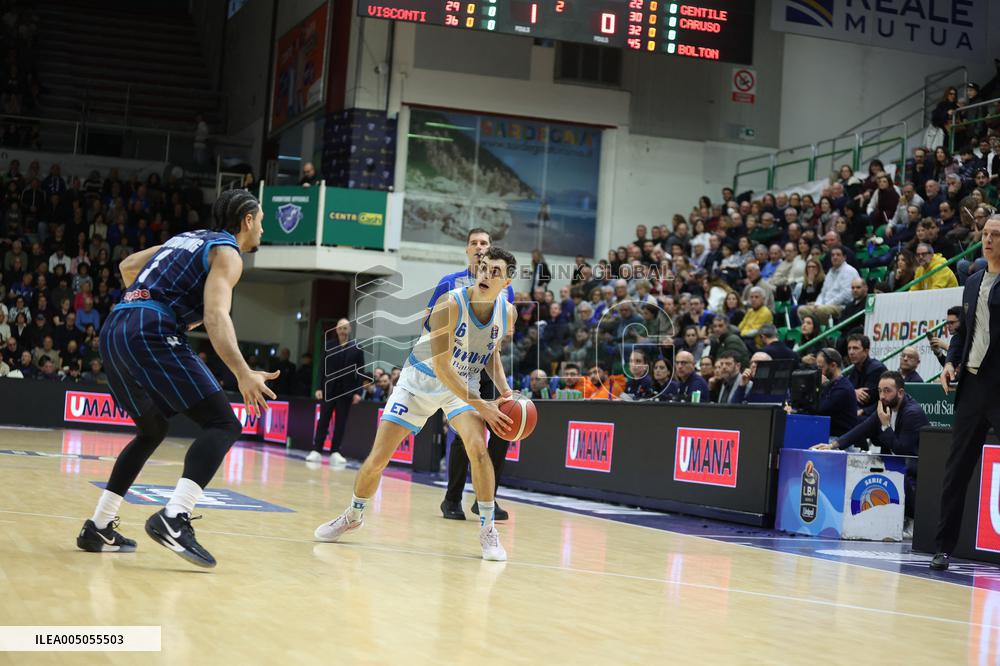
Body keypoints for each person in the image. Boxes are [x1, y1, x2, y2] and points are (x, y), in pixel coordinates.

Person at [76, 189, 276, 569]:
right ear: (247, 220)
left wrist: (154, 302)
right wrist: (243, 373)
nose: (263, 230)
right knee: (223, 423)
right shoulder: (229, 254)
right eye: (262, 221)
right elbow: (217, 317)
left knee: (151, 429)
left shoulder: (184, 240)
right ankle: (174, 517)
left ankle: (99, 525)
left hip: (116, 326)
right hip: (150, 329)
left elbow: (128, 266)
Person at [314, 247, 517, 562]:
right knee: (378, 458)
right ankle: (353, 515)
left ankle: (488, 529)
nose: (486, 275)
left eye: (495, 271)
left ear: (507, 281)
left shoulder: (508, 313)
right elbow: (442, 369)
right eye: (483, 267)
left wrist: (505, 392)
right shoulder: (451, 303)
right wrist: (484, 406)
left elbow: (490, 352)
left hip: (462, 386)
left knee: (478, 447)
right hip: (420, 381)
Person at [932, 214, 1000, 570]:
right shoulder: (972, 281)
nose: (987, 240)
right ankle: (943, 547)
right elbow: (962, 331)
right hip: (971, 386)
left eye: (995, 235)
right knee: (956, 469)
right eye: (985, 233)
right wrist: (950, 362)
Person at [438, 229, 515, 522]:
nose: (480, 247)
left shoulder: (504, 288)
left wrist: (504, 385)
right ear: (467, 250)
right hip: (453, 364)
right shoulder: (450, 283)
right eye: (474, 243)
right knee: (465, 432)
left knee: (502, 426)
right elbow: (430, 322)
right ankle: (452, 497)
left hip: (486, 359)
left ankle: (487, 497)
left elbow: (504, 330)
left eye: (485, 243)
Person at [811, 371, 929, 524]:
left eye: (887, 391)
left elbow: (902, 451)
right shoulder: (885, 407)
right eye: (880, 391)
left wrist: (886, 426)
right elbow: (862, 429)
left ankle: (912, 520)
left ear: (900, 393)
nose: (882, 396)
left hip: (917, 475)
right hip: (901, 469)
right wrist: (833, 445)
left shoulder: (912, 413)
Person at [307, 318, 365, 465]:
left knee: (341, 422)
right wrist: (319, 387)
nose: (343, 331)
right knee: (323, 420)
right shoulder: (328, 346)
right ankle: (316, 450)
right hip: (329, 389)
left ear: (350, 329)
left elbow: (361, 371)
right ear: (336, 330)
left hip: (347, 391)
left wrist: (358, 392)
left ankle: (335, 451)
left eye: (345, 328)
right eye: (340, 328)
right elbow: (321, 368)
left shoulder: (356, 347)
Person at [811, 348, 858, 436]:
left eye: (821, 368)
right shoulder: (830, 384)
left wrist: (819, 387)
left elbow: (820, 409)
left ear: (833, 365)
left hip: (839, 439)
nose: (818, 372)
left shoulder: (843, 388)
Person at [845, 333, 887, 415]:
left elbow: (865, 398)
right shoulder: (854, 369)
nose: (851, 352)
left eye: (855, 348)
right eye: (849, 348)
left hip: (873, 415)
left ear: (866, 351)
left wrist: (851, 393)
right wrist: (854, 392)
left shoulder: (876, 369)